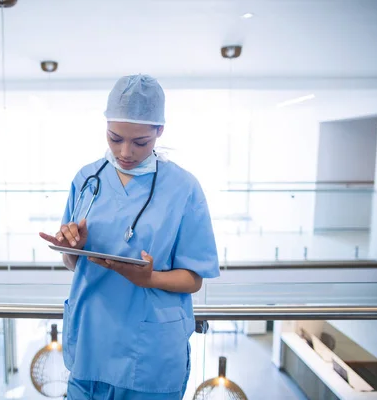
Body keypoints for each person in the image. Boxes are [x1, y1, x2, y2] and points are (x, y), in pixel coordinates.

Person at [39, 74, 220, 399]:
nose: (125, 151)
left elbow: (194, 279)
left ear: (159, 132)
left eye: (140, 142)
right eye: (114, 137)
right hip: (89, 346)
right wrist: (72, 249)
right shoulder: (87, 178)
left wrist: (149, 279)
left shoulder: (183, 188)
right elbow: (73, 264)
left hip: (150, 354)